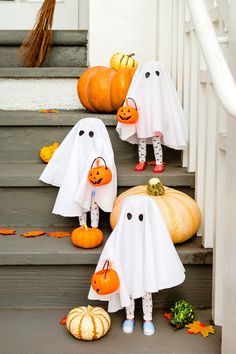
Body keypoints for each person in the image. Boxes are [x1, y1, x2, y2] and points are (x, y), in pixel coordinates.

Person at [88, 195, 185, 335]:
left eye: (140, 217)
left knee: (146, 293)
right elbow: (111, 246)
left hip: (145, 270)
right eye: (129, 216)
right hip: (127, 270)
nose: (134, 221)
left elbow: (161, 250)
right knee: (128, 292)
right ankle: (129, 317)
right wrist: (109, 258)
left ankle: (148, 319)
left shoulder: (151, 236)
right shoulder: (120, 233)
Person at [39, 118, 117, 228]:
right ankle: (82, 226)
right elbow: (64, 156)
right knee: (80, 203)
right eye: (81, 133)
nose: (85, 137)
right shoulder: (76, 155)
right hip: (80, 185)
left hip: (94, 186)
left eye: (91, 134)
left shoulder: (99, 155)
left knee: (94, 203)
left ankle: (94, 227)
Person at [116, 61, 188, 173]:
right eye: (147, 75)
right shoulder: (139, 91)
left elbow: (166, 108)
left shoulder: (162, 92)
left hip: (156, 122)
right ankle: (141, 160)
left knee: (156, 140)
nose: (152, 78)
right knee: (142, 140)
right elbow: (133, 102)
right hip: (142, 120)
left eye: (157, 74)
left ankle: (159, 162)